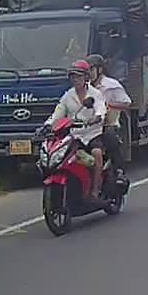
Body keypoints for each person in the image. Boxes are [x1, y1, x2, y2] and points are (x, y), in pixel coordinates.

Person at [42, 59, 107, 199]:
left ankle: (95, 189)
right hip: (75, 135)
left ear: (86, 77)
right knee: (65, 156)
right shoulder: (68, 95)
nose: (76, 80)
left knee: (96, 153)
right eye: (73, 77)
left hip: (92, 134)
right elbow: (58, 113)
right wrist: (47, 125)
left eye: (79, 76)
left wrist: (96, 118)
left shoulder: (95, 94)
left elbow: (101, 108)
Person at [86, 54, 131, 177]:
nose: (88, 73)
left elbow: (126, 103)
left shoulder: (111, 85)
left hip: (108, 123)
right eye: (86, 70)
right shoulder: (86, 87)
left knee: (109, 137)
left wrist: (108, 105)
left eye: (91, 69)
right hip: (90, 124)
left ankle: (119, 169)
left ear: (99, 69)